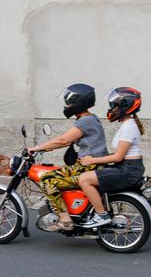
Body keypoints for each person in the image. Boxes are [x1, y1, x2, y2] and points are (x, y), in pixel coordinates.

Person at [29, 83, 108, 231]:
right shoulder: (90, 118)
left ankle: (65, 220)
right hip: (88, 164)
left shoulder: (85, 121)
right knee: (54, 174)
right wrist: (46, 148)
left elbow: (63, 140)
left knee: (47, 180)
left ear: (79, 102)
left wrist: (38, 148)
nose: (67, 105)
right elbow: (65, 140)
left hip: (87, 167)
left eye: (70, 101)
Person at [78, 87, 145, 228]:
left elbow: (119, 157)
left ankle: (101, 215)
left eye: (114, 105)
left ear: (125, 106)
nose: (111, 109)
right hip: (127, 167)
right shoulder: (128, 124)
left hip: (128, 171)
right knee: (92, 174)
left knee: (84, 179)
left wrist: (92, 160)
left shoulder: (129, 127)